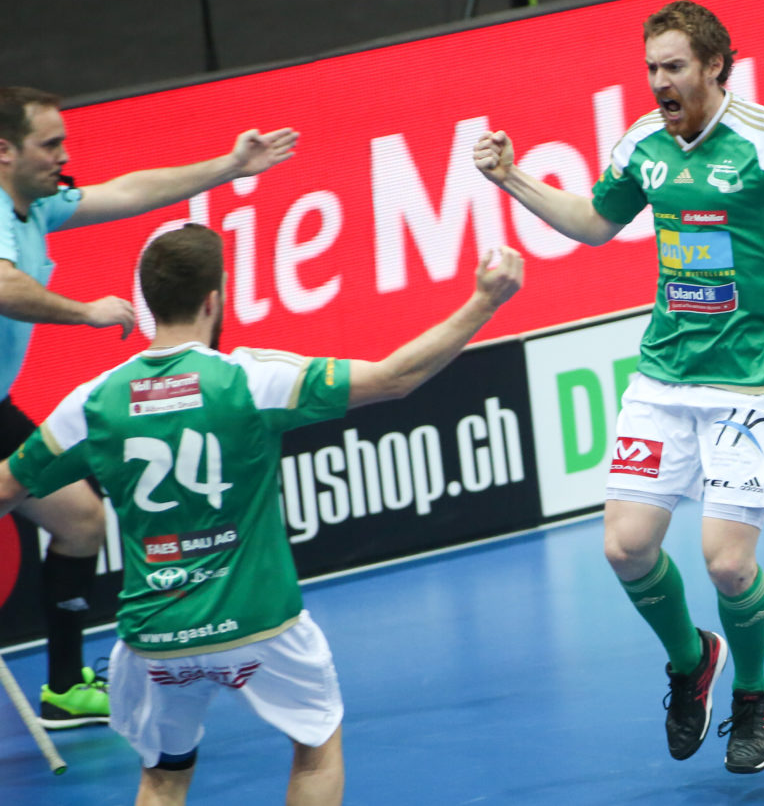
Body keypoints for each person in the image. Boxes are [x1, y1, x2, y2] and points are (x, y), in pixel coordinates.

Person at [474, 0, 764, 774]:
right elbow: (591, 221)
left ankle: (751, 693)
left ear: (715, 65)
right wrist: (511, 176)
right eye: (650, 68)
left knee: (726, 564)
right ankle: (691, 659)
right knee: (625, 547)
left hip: (749, 382)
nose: (658, 83)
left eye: (673, 66)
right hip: (665, 374)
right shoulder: (645, 143)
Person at [0, 224, 523, 804]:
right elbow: (393, 377)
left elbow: (6, 489)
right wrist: (484, 301)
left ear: (147, 303)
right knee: (316, 751)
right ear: (213, 299)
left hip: (156, 635)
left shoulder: (91, 403)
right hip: (261, 628)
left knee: (163, 778)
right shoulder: (251, 379)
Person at [0, 85, 298, 728]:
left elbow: (129, 191)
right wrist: (85, 311)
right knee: (77, 517)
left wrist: (229, 166)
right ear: (3, 151)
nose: (63, 154)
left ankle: (61, 690)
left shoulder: (35, 208)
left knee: (80, 521)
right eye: (49, 143)